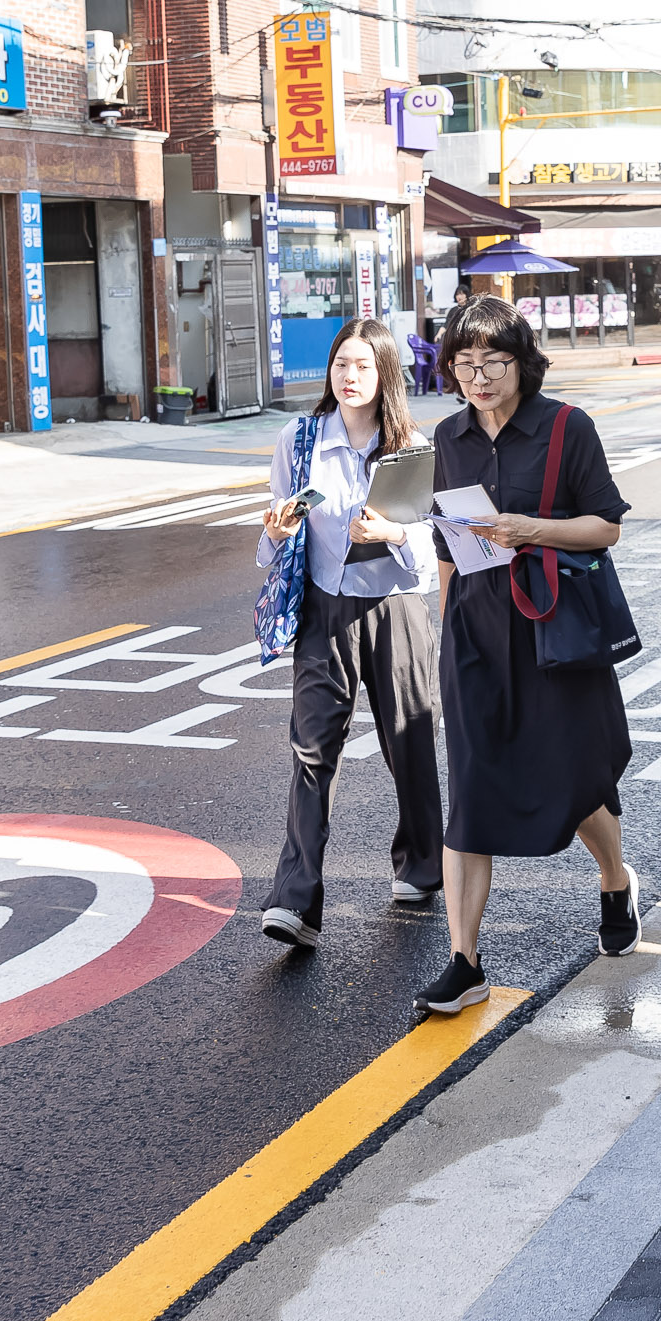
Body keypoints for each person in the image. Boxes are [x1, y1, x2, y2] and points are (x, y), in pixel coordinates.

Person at [419, 297, 635, 1015]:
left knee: (573, 784)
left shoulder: (567, 427)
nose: (478, 376)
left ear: (523, 361)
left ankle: (614, 877)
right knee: (471, 794)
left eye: (493, 361)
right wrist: (445, 631)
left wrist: (532, 529)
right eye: (463, 362)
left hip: (551, 634)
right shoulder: (448, 438)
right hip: (477, 634)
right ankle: (465, 959)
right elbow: (451, 544)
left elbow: (605, 526)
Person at [253, 318, 444, 951]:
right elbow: (275, 537)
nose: (350, 377)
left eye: (362, 366)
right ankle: (296, 899)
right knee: (311, 753)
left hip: (396, 610)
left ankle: (420, 865)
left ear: (385, 373)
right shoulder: (300, 439)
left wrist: (391, 535)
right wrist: (276, 534)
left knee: (409, 746)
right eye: (341, 365)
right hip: (323, 612)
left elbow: (426, 552)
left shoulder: (412, 448)